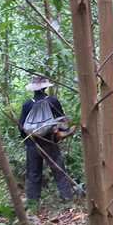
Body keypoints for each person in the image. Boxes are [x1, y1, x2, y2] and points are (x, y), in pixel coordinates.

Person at [18, 73, 74, 202]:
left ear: (33, 88)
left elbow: (21, 126)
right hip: (50, 142)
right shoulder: (53, 101)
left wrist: (25, 140)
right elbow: (63, 121)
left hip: (32, 143)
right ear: (45, 87)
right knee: (58, 170)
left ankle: (32, 202)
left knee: (33, 172)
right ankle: (67, 198)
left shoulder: (27, 105)